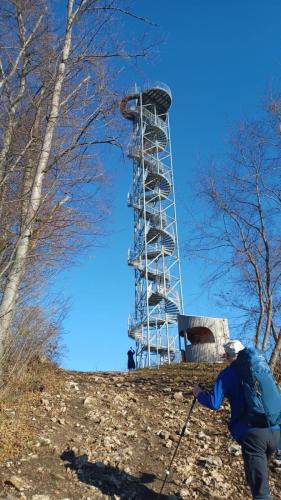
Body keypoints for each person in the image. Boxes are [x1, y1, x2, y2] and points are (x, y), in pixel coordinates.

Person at [193, 340, 281, 500]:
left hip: (253, 436)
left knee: (261, 493)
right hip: (275, 432)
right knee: (260, 483)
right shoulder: (260, 368)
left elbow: (214, 403)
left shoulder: (227, 374)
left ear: (227, 356)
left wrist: (199, 393)